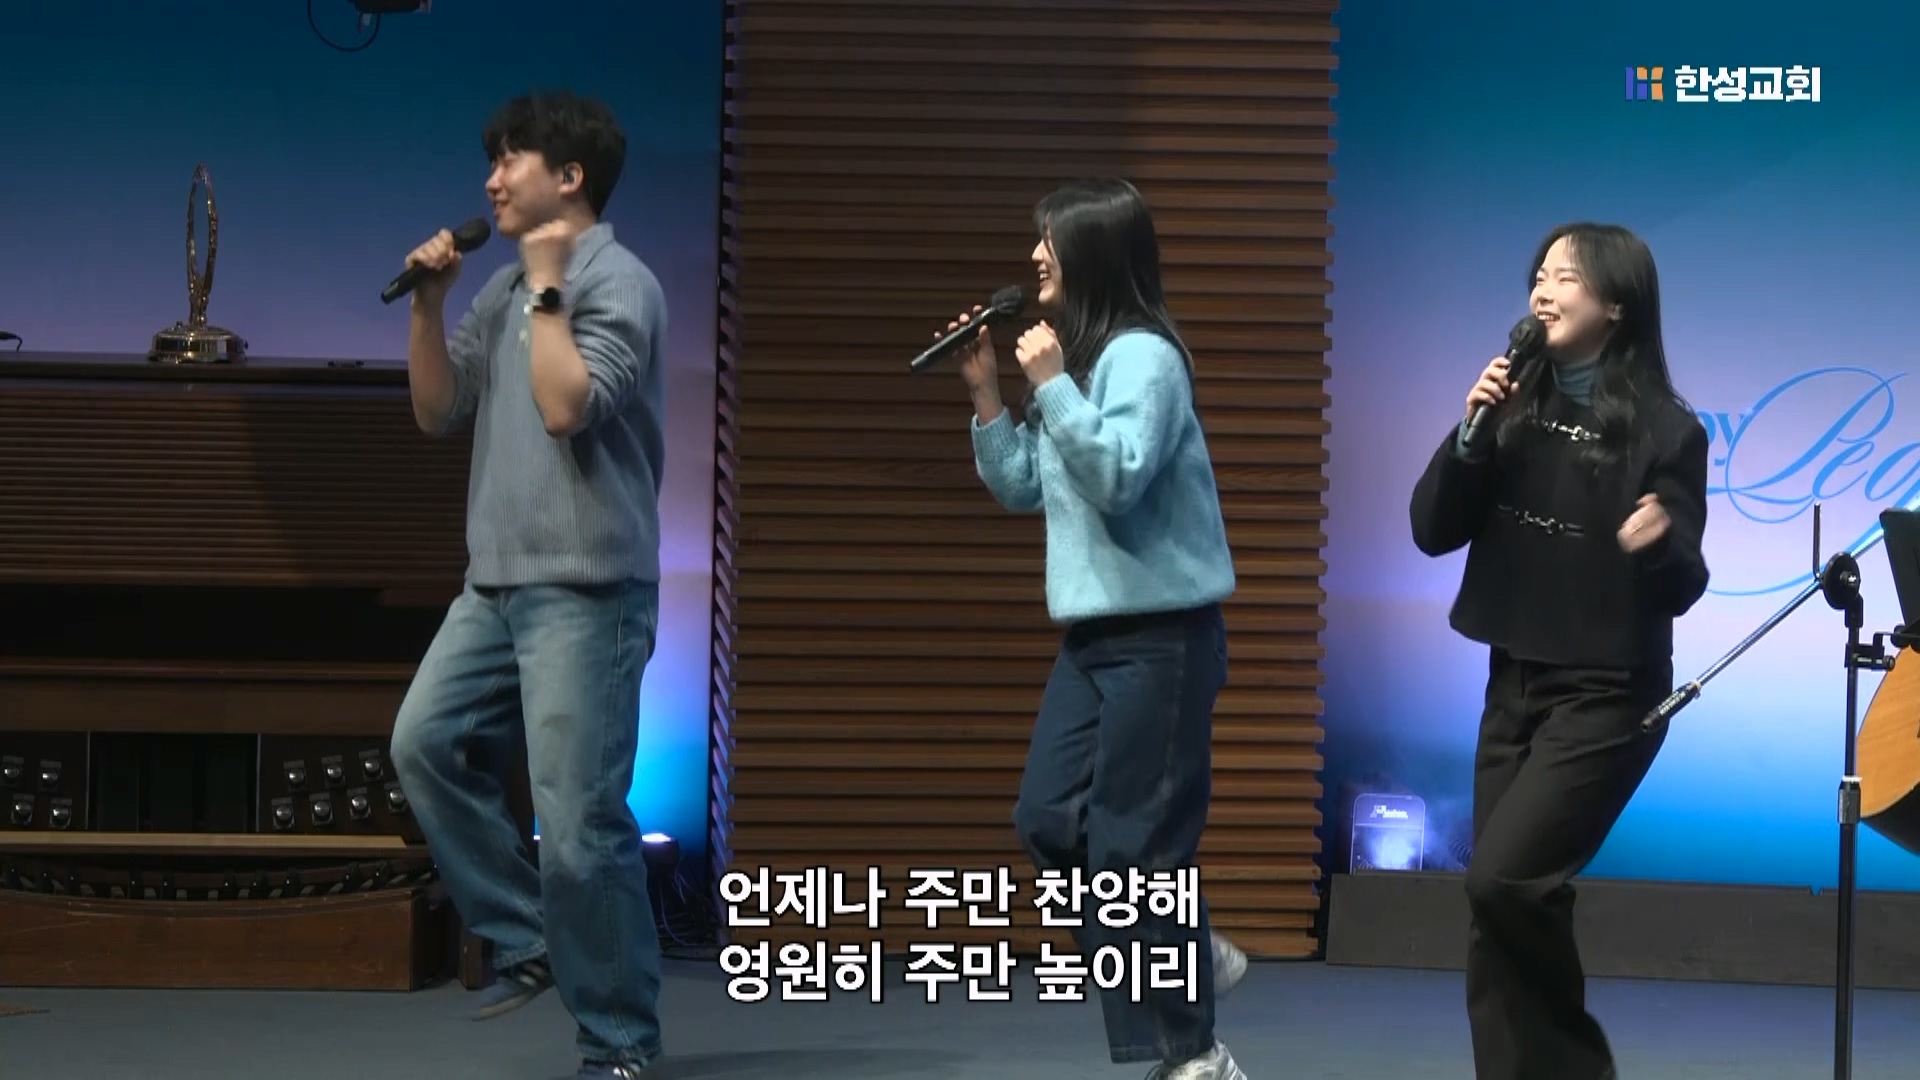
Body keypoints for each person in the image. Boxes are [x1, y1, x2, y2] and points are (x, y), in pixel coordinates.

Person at [387, 91, 669, 1080]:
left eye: (511, 160)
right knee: (422, 745)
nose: (492, 180)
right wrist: (430, 304)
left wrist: (548, 288)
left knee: (582, 827)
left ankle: (620, 1039)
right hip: (493, 585)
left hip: (589, 592)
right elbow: (438, 410)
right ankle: (527, 932)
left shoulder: (618, 283)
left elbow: (565, 408)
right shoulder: (504, 286)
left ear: (570, 176)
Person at [942, 177, 1249, 1080]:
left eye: (1051, 239)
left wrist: (1050, 385)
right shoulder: (1076, 365)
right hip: (1093, 639)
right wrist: (990, 396)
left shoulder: (1144, 359)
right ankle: (1184, 951)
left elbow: (1117, 475)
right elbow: (1025, 487)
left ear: (1096, 254)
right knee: (1046, 820)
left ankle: (1195, 1054)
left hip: (1164, 638)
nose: (1036, 255)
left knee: (1133, 850)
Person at [1409, 223, 1710, 1080]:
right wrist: (1470, 436)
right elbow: (1431, 529)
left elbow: (1685, 582)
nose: (1542, 291)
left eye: (1565, 277)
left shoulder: (1667, 430)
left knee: (1503, 883)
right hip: (1513, 679)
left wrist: (1659, 541)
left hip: (1608, 695)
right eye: (1538, 275)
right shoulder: (1511, 403)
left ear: (1616, 304)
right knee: (1499, 905)